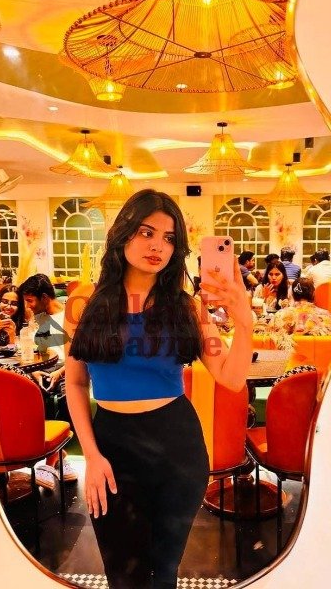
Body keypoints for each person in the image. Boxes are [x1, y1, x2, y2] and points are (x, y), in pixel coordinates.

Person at [64, 189, 252, 589]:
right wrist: (91, 455)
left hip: (176, 448)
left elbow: (231, 378)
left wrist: (245, 322)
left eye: (168, 239)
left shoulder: (187, 308)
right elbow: (76, 383)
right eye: (146, 232)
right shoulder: (84, 304)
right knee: (122, 574)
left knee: (164, 572)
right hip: (111, 445)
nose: (157, 246)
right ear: (123, 233)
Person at [18, 273, 77, 482]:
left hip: (70, 369)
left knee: (67, 396)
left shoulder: (70, 316)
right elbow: (34, 352)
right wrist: (35, 372)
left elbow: (79, 355)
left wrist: (59, 373)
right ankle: (60, 457)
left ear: (44, 297)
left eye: (30, 301)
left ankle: (50, 461)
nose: (28, 306)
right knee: (30, 393)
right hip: (44, 368)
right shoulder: (37, 319)